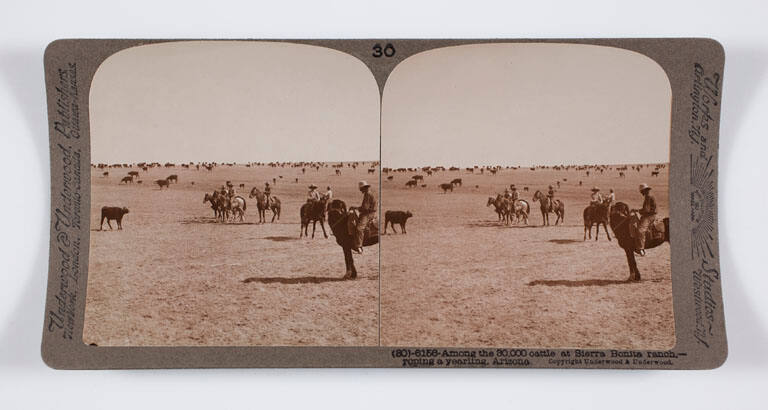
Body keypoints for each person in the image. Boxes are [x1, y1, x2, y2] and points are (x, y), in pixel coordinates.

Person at [352, 181, 377, 253]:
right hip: (369, 212)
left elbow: (365, 208)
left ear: (363, 188)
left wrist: (356, 208)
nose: (361, 190)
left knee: (359, 228)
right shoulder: (368, 193)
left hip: (368, 213)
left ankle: (359, 247)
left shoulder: (368, 194)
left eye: (361, 189)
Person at [635, 183, 657, 255]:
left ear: (643, 191)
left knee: (640, 230)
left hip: (649, 216)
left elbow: (646, 210)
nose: (641, 193)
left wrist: (638, 211)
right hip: (650, 215)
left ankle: (641, 249)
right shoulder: (649, 196)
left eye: (641, 191)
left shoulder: (648, 197)